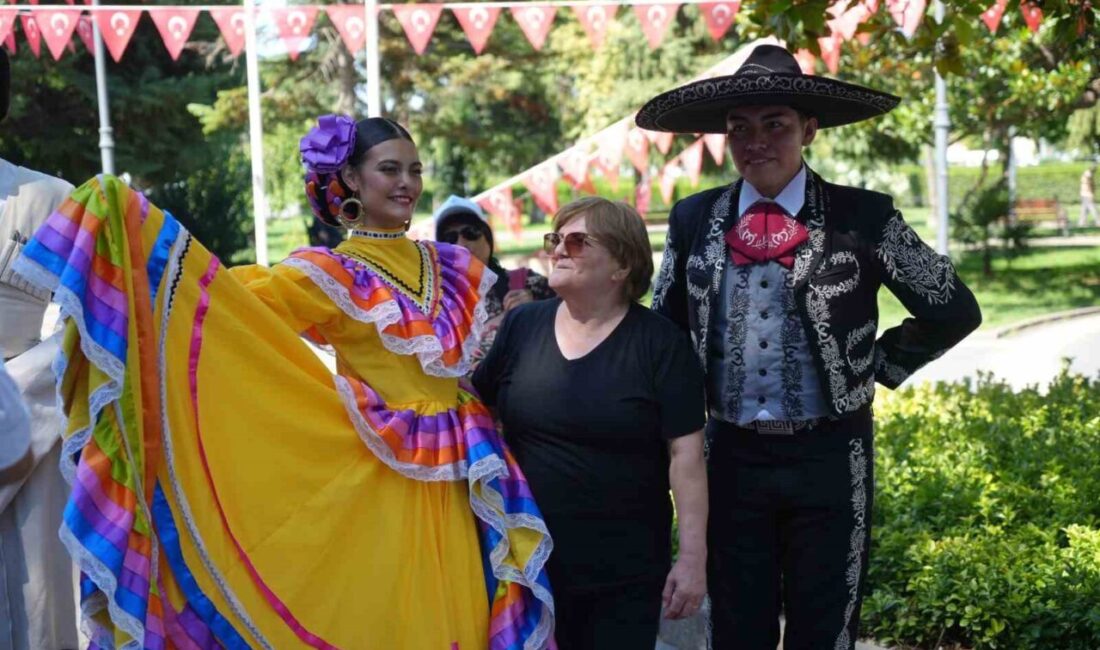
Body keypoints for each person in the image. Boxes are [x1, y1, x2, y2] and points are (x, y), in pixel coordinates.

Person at [13, 115, 554, 648]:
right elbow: (228, 313)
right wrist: (143, 252)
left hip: (466, 464)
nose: (406, 183)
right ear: (351, 180)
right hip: (384, 475)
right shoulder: (332, 271)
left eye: (414, 170)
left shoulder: (452, 264)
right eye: (389, 169)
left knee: (464, 610)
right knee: (396, 620)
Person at [636, 44, 982, 649]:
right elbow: (664, 329)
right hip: (729, 457)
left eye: (775, 125)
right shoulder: (693, 218)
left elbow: (953, 308)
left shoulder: (863, 215)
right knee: (734, 628)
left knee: (825, 628)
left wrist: (874, 366)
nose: (755, 142)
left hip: (832, 456)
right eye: (739, 129)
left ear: (809, 130)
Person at [473, 197, 708, 649]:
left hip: (624, 572)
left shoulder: (661, 343)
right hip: (525, 561)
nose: (559, 249)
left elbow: (687, 457)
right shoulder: (522, 326)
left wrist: (692, 558)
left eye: (578, 241)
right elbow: (475, 416)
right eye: (555, 239)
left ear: (622, 265)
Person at [0, 47, 80, 650]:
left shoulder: (53, 199)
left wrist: (12, 397)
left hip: (35, 437)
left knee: (39, 606)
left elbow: (81, 327)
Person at [433, 195, 555, 364]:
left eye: (470, 232)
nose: (461, 244)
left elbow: (575, 324)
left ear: (487, 237)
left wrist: (537, 310)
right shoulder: (436, 305)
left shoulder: (527, 283)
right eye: (450, 238)